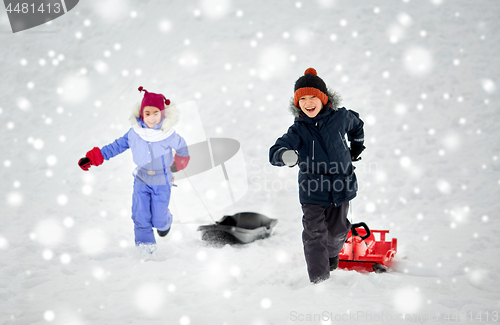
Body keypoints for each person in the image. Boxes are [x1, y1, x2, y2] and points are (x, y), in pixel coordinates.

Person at [269, 68, 365, 283]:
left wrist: (357, 145)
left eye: (313, 97)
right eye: (302, 98)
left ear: (324, 99)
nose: (308, 102)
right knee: (315, 235)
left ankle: (332, 256)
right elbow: (276, 149)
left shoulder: (341, 118)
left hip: (341, 186)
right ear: (297, 103)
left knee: (339, 230)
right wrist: (284, 155)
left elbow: (357, 124)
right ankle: (319, 281)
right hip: (313, 190)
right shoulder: (299, 130)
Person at [78, 87, 190, 253]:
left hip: (162, 180)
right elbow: (115, 147)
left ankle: (165, 222)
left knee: (158, 219)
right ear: (141, 114)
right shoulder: (134, 133)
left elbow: (182, 148)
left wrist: (179, 163)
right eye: (147, 113)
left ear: (162, 114)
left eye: (155, 113)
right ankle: (146, 249)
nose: (151, 118)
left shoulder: (168, 134)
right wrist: (93, 158)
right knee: (140, 216)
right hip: (142, 180)